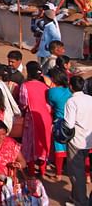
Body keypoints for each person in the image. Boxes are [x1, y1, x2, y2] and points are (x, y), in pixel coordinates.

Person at [18, 61, 51, 177]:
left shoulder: (25, 86)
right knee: (44, 142)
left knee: (30, 144)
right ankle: (42, 170)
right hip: (45, 117)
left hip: (31, 117)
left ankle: (31, 170)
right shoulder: (45, 86)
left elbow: (23, 103)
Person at [63, 74, 92, 205]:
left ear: (71, 86)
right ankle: (75, 197)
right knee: (79, 171)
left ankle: (81, 201)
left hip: (76, 140)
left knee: (77, 173)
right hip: (88, 139)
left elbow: (69, 124)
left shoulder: (71, 102)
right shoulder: (90, 99)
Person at [46, 68, 72, 178]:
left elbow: (50, 105)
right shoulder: (70, 90)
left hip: (59, 122)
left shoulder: (52, 92)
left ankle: (58, 174)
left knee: (59, 148)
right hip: (73, 121)